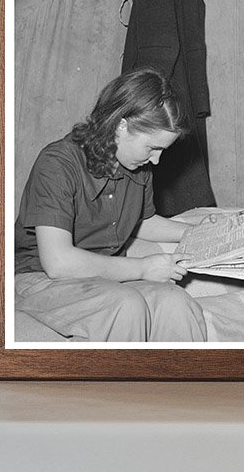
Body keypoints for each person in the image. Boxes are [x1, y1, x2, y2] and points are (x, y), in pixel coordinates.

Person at [13, 68, 207, 342]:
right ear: (121, 126)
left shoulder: (138, 167)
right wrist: (142, 268)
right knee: (125, 306)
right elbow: (58, 263)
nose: (156, 161)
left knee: (177, 304)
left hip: (103, 279)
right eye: (152, 148)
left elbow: (143, 222)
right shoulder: (57, 164)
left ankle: (185, 385)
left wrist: (200, 232)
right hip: (40, 278)